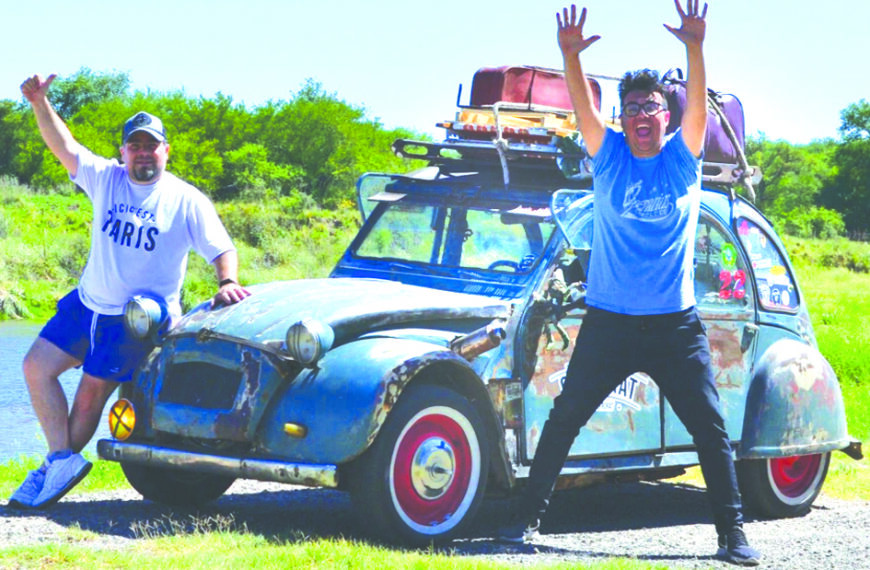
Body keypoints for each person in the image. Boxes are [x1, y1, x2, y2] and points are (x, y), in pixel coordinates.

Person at [497, 2, 761, 566]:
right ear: (621, 117)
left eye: (653, 107)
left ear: (667, 117)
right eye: (632, 107)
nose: (643, 114)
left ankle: (732, 537)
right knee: (565, 418)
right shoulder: (609, 155)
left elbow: (697, 105)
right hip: (610, 323)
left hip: (675, 327)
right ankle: (522, 523)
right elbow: (582, 108)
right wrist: (570, 57)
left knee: (710, 430)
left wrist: (694, 47)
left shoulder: (683, 160)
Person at [8, 73, 252, 510]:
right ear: (123, 151)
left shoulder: (185, 199)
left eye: (151, 145)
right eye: (135, 145)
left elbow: (222, 247)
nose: (143, 153)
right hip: (87, 304)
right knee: (34, 367)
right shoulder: (106, 178)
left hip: (135, 319)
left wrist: (227, 282)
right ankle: (60, 460)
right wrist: (38, 102)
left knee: (89, 393)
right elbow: (63, 146)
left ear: (166, 151)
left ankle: (58, 463)